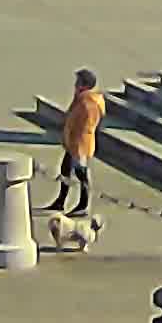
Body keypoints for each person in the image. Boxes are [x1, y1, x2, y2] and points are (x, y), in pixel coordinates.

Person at [49, 67, 105, 217]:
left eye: (78, 82)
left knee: (81, 173)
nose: (75, 84)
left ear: (85, 85)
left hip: (81, 144)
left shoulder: (89, 103)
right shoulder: (81, 99)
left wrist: (75, 142)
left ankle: (83, 205)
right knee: (65, 170)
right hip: (72, 143)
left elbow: (85, 126)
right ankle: (60, 201)